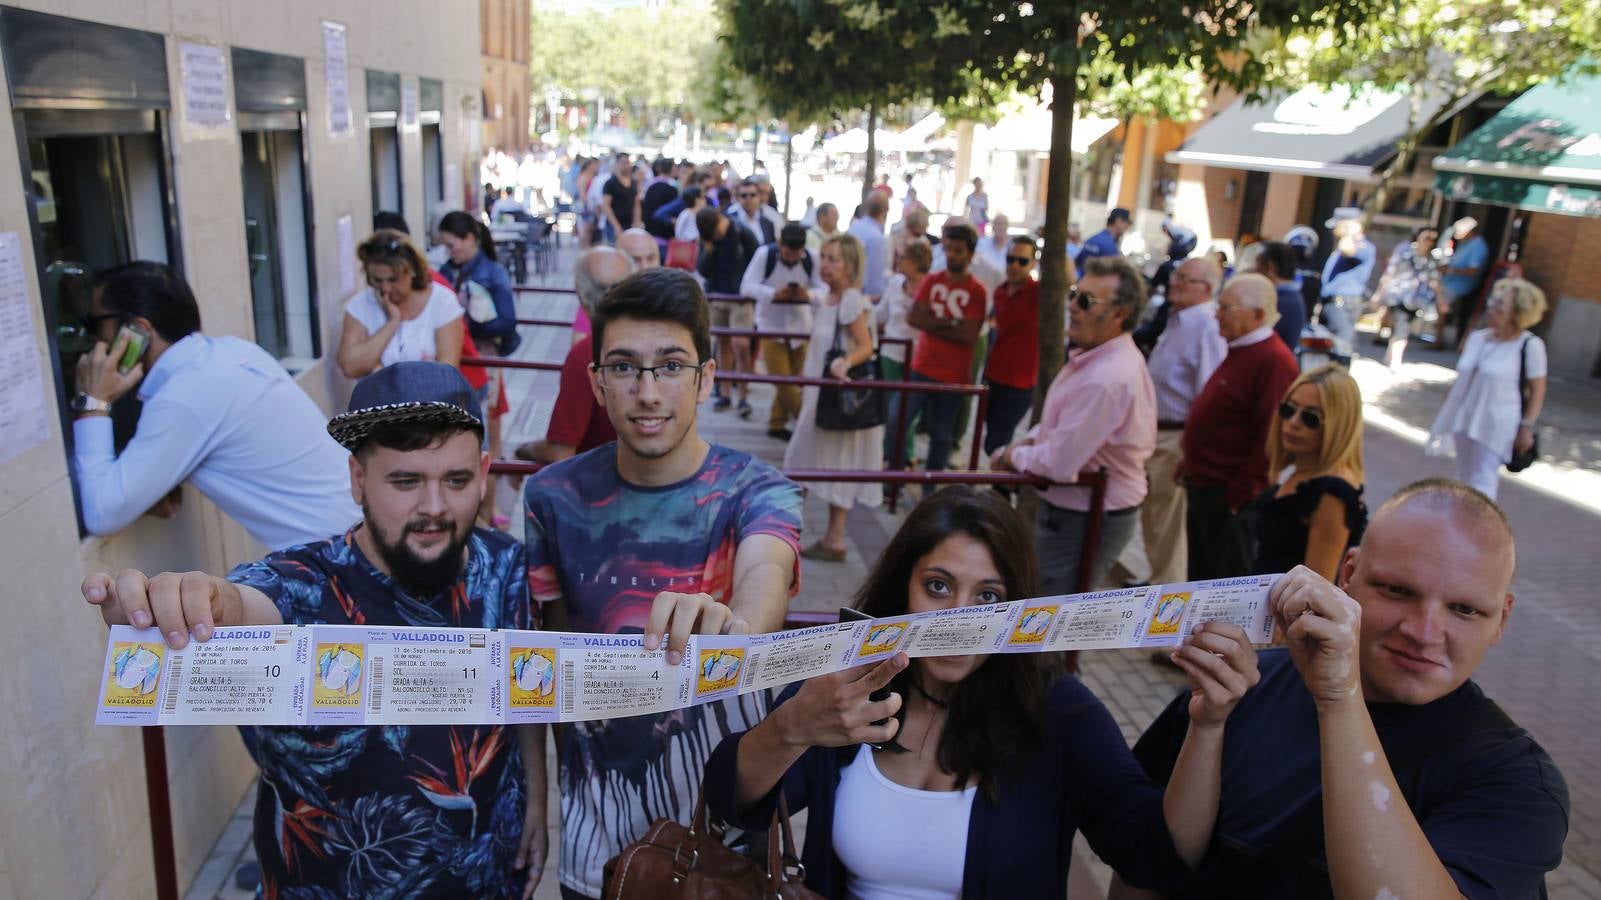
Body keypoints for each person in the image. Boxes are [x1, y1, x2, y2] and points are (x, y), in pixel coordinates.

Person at [83, 361, 544, 898]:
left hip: (489, 879)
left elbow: (524, 688)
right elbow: (246, 603)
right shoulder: (304, 584)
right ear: (357, 480)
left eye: (457, 480)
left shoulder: (508, 565)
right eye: (405, 481)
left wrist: (533, 792)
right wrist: (196, 602)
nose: (435, 508)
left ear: (485, 472)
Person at [705, 486, 1263, 899]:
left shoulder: (1059, 712)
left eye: (988, 598)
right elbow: (732, 799)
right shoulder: (855, 687)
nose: (959, 619)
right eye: (939, 586)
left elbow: (1157, 858)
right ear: (903, 588)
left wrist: (1208, 726)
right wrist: (789, 728)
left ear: (1019, 608)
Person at [1117, 479, 1569, 899]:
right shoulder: (1243, 685)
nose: (1424, 631)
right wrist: (1207, 730)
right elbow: (1144, 866)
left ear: (1502, 620)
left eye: (1465, 610)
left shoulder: (1514, 780)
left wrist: (1338, 698)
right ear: (1348, 573)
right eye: (1396, 590)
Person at [522, 268, 803, 899]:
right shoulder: (551, 498)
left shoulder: (760, 493)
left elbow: (765, 579)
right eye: (624, 367)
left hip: (720, 848)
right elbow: (543, 663)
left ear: (706, 377)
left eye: (671, 365)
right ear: (597, 382)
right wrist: (536, 805)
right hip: (594, 842)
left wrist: (733, 626)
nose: (648, 392)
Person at [70, 262, 358, 550]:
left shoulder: (184, 394)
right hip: (358, 533)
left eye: (95, 325)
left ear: (138, 330)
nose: (94, 340)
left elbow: (102, 513)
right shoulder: (232, 352)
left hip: (342, 558)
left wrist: (93, 401)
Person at [993, 256, 1156, 593]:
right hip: (1079, 511)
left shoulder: (1107, 376)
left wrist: (1013, 456)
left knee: (1047, 616)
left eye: (1085, 301)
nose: (1072, 307)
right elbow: (1062, 425)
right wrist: (1029, 443)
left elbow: (1058, 462)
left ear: (1119, 313)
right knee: (1041, 606)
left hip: (1089, 517)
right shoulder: (1098, 358)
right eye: (1073, 294)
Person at [1180, 273, 1300, 581]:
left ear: (1257, 315)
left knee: (1222, 585)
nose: (1217, 315)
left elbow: (1270, 440)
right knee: (1202, 577)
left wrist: (1239, 497)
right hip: (1209, 489)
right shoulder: (1242, 349)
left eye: (1226, 308)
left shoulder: (1272, 360)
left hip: (1230, 498)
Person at [783, 234, 883, 562]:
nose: (825, 264)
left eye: (834, 259)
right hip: (820, 394)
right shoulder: (830, 297)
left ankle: (825, 538)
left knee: (815, 462)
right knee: (807, 461)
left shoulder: (851, 299)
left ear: (851, 264)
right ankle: (813, 536)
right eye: (823, 257)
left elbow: (865, 345)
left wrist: (845, 362)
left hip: (835, 398)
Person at [1131, 257, 1226, 587]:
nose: (1174, 282)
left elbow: (1209, 393)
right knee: (1153, 516)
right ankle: (1158, 582)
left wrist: (1191, 448)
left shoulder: (1207, 326)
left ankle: (1167, 598)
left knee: (1168, 524)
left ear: (1207, 289)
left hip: (1178, 436)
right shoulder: (1177, 319)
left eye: (1185, 278)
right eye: (1176, 276)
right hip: (1156, 432)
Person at [1426, 277, 1548, 499]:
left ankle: (1480, 527)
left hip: (1497, 422)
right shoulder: (1478, 338)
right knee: (1463, 474)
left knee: (1482, 479)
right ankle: (1459, 521)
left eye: (1500, 303)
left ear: (1517, 312)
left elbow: (1538, 391)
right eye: (1493, 300)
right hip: (1467, 416)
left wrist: (1526, 426)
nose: (1491, 306)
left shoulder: (1530, 346)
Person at [512, 247, 634, 465]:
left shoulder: (587, 354)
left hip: (605, 483)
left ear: (579, 293)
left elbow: (560, 452)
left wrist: (524, 451)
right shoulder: (664, 341)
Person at [437, 211, 520, 526]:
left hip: (484, 359)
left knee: (490, 434)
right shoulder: (445, 271)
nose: (449, 251)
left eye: (452, 244)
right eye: (445, 246)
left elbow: (508, 320)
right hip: (456, 359)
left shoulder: (492, 272)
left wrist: (465, 323)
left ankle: (491, 508)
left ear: (470, 239)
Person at [1255, 365, 1367, 580]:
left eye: (1310, 418)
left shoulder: (1332, 493)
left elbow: (1315, 588)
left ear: (1338, 425)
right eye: (1288, 409)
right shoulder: (1301, 470)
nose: (1293, 423)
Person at [904, 222, 987, 473]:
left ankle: (931, 485)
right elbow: (914, 318)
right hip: (922, 365)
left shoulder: (977, 291)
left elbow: (968, 333)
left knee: (941, 434)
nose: (951, 254)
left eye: (958, 250)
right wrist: (951, 323)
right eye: (948, 248)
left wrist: (933, 323)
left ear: (970, 254)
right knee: (900, 420)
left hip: (953, 374)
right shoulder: (932, 280)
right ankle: (893, 478)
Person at [336, 230, 464, 378]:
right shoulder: (359, 307)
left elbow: (446, 372)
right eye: (376, 280)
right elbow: (350, 367)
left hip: (426, 399)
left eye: (393, 280)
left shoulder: (442, 302)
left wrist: (378, 368)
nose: (385, 289)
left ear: (412, 271)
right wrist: (392, 323)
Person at [741, 223, 824, 440]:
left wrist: (809, 295)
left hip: (801, 327)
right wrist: (773, 294)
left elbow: (823, 289)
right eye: (787, 254)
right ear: (779, 245)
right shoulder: (764, 255)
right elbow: (746, 286)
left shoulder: (812, 259)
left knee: (791, 380)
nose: (792, 259)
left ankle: (776, 424)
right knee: (784, 381)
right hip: (770, 326)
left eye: (796, 255)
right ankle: (809, 425)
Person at [696, 206, 759, 417]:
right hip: (717, 297)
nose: (718, 236)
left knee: (741, 345)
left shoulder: (742, 232)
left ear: (721, 220)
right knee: (723, 346)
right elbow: (703, 270)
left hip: (741, 299)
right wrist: (709, 249)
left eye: (718, 231)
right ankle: (725, 393)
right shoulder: (709, 239)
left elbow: (756, 261)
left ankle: (743, 396)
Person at [981, 235, 1039, 456]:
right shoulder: (999, 292)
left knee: (997, 442)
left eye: (1022, 261)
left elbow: (1067, 276)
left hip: (1020, 384)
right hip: (993, 375)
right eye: (1011, 259)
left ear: (1033, 263)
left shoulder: (1039, 293)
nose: (1015, 265)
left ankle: (1003, 486)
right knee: (991, 438)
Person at [878, 238, 932, 468]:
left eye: (904, 258)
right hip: (891, 353)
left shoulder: (929, 287)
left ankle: (903, 453)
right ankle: (892, 453)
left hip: (917, 357)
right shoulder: (894, 283)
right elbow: (881, 314)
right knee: (892, 408)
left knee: (906, 411)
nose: (898, 260)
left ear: (918, 263)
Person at [1373, 225, 1442, 372]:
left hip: (1417, 300)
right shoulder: (1405, 251)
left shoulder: (1431, 258)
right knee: (1402, 327)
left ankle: (1390, 356)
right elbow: (1390, 272)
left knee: (1402, 327)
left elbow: (1434, 280)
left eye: (1432, 239)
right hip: (1399, 295)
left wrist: (1441, 300)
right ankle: (1395, 360)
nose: (1429, 242)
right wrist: (1380, 294)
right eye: (1427, 238)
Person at [1318, 208, 1376, 350]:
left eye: (1337, 226)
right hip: (1332, 304)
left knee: (1340, 347)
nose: (1334, 231)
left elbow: (1347, 249)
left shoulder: (1362, 246)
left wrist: (1351, 232)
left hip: (1343, 305)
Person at [1437, 216, 1490, 346]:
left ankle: (1439, 339)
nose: (1456, 235)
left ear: (1470, 232)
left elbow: (1474, 270)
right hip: (1450, 281)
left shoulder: (1478, 246)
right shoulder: (1465, 244)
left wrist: (1451, 271)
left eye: (1459, 232)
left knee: (1441, 301)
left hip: (1462, 285)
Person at [1253, 241, 1309, 354]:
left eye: (1257, 267)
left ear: (1269, 267)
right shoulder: (1292, 297)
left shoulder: (1281, 302)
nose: (1254, 272)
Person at [847, 193, 890, 297]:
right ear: (886, 210)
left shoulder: (854, 228)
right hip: (864, 298)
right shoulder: (876, 238)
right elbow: (874, 284)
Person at [1076, 207, 1131, 277]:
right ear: (1118, 221)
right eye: (1127, 223)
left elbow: (1078, 262)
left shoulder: (1092, 239)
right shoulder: (1109, 244)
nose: (1127, 227)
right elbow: (1112, 273)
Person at [599, 152, 640, 245]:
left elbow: (636, 204)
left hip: (629, 225)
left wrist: (637, 221)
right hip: (614, 226)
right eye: (623, 163)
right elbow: (606, 206)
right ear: (617, 164)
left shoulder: (633, 182)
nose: (627, 166)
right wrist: (616, 226)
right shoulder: (610, 183)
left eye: (628, 163)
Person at [727, 177, 777, 245]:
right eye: (744, 195)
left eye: (752, 195)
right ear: (737, 198)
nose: (748, 198)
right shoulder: (729, 220)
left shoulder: (768, 223)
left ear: (759, 196)